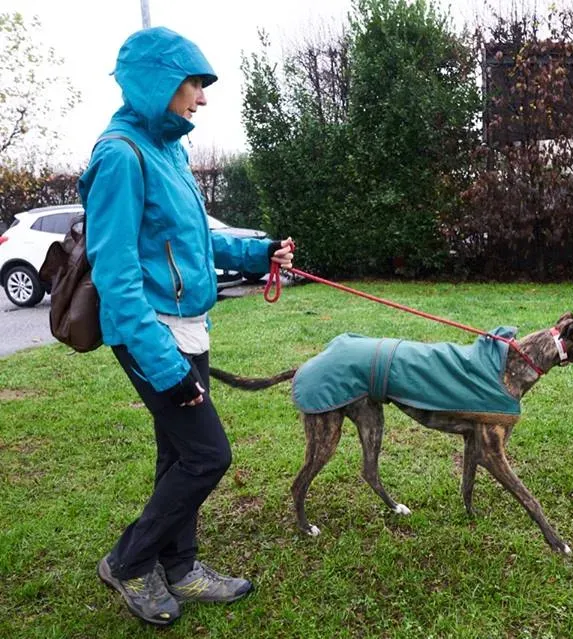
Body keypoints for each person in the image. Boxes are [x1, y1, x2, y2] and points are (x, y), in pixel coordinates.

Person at [77, 27, 294, 626]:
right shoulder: (120, 155)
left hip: (187, 323)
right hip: (152, 333)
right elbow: (117, 275)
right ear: (158, 81)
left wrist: (259, 252)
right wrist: (167, 369)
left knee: (178, 455)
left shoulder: (168, 149)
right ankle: (128, 561)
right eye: (194, 82)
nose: (201, 97)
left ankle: (181, 566)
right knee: (207, 455)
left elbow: (192, 240)